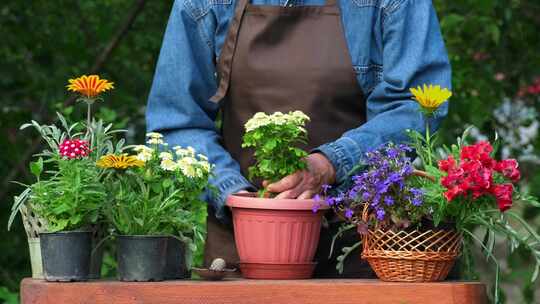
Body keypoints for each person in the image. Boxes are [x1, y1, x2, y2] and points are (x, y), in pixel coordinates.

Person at [146, 0, 451, 277]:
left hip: (364, 243)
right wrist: (236, 195)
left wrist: (331, 163)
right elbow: (176, 122)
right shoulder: (206, 4)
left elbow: (414, 109)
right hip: (244, 244)